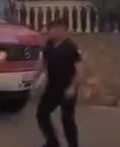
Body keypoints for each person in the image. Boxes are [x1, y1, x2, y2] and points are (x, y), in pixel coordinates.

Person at [33, 18, 82, 147]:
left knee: (67, 119)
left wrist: (72, 87)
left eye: (51, 29)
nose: (48, 32)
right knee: (41, 114)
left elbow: (79, 70)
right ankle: (52, 142)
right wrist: (34, 78)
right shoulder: (48, 45)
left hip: (67, 89)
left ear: (61, 30)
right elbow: (43, 63)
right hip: (52, 88)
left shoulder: (72, 47)